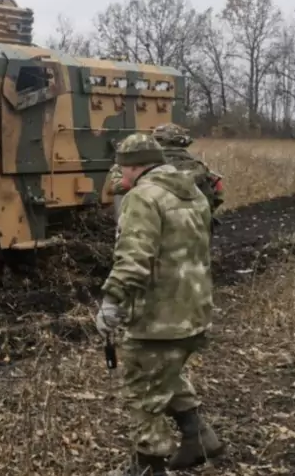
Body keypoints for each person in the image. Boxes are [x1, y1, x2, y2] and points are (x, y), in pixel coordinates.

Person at [96, 133, 224, 475]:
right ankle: (199, 439)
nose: (120, 180)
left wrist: (111, 301)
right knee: (167, 374)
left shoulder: (143, 197)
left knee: (141, 392)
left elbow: (134, 259)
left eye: (122, 171)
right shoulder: (193, 192)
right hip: (194, 311)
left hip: (158, 317)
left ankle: (149, 466)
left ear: (136, 167)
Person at [106, 124, 225, 226]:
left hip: (153, 224)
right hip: (194, 224)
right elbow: (218, 191)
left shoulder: (149, 165)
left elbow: (120, 186)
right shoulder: (199, 166)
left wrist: (118, 166)